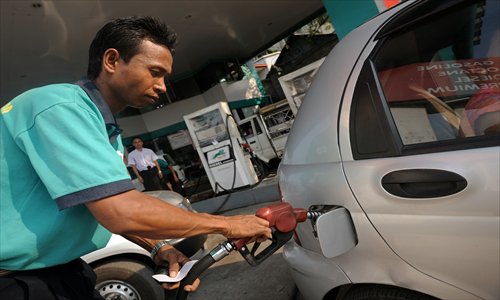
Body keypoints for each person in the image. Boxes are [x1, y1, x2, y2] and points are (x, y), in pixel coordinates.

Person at [0, 16, 271, 299]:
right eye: (155, 72)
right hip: (15, 282)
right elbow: (121, 211)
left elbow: (100, 204)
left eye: (165, 76)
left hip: (62, 271)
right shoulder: (57, 107)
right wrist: (227, 225)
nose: (163, 86)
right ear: (112, 60)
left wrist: (159, 247)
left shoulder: (105, 129)